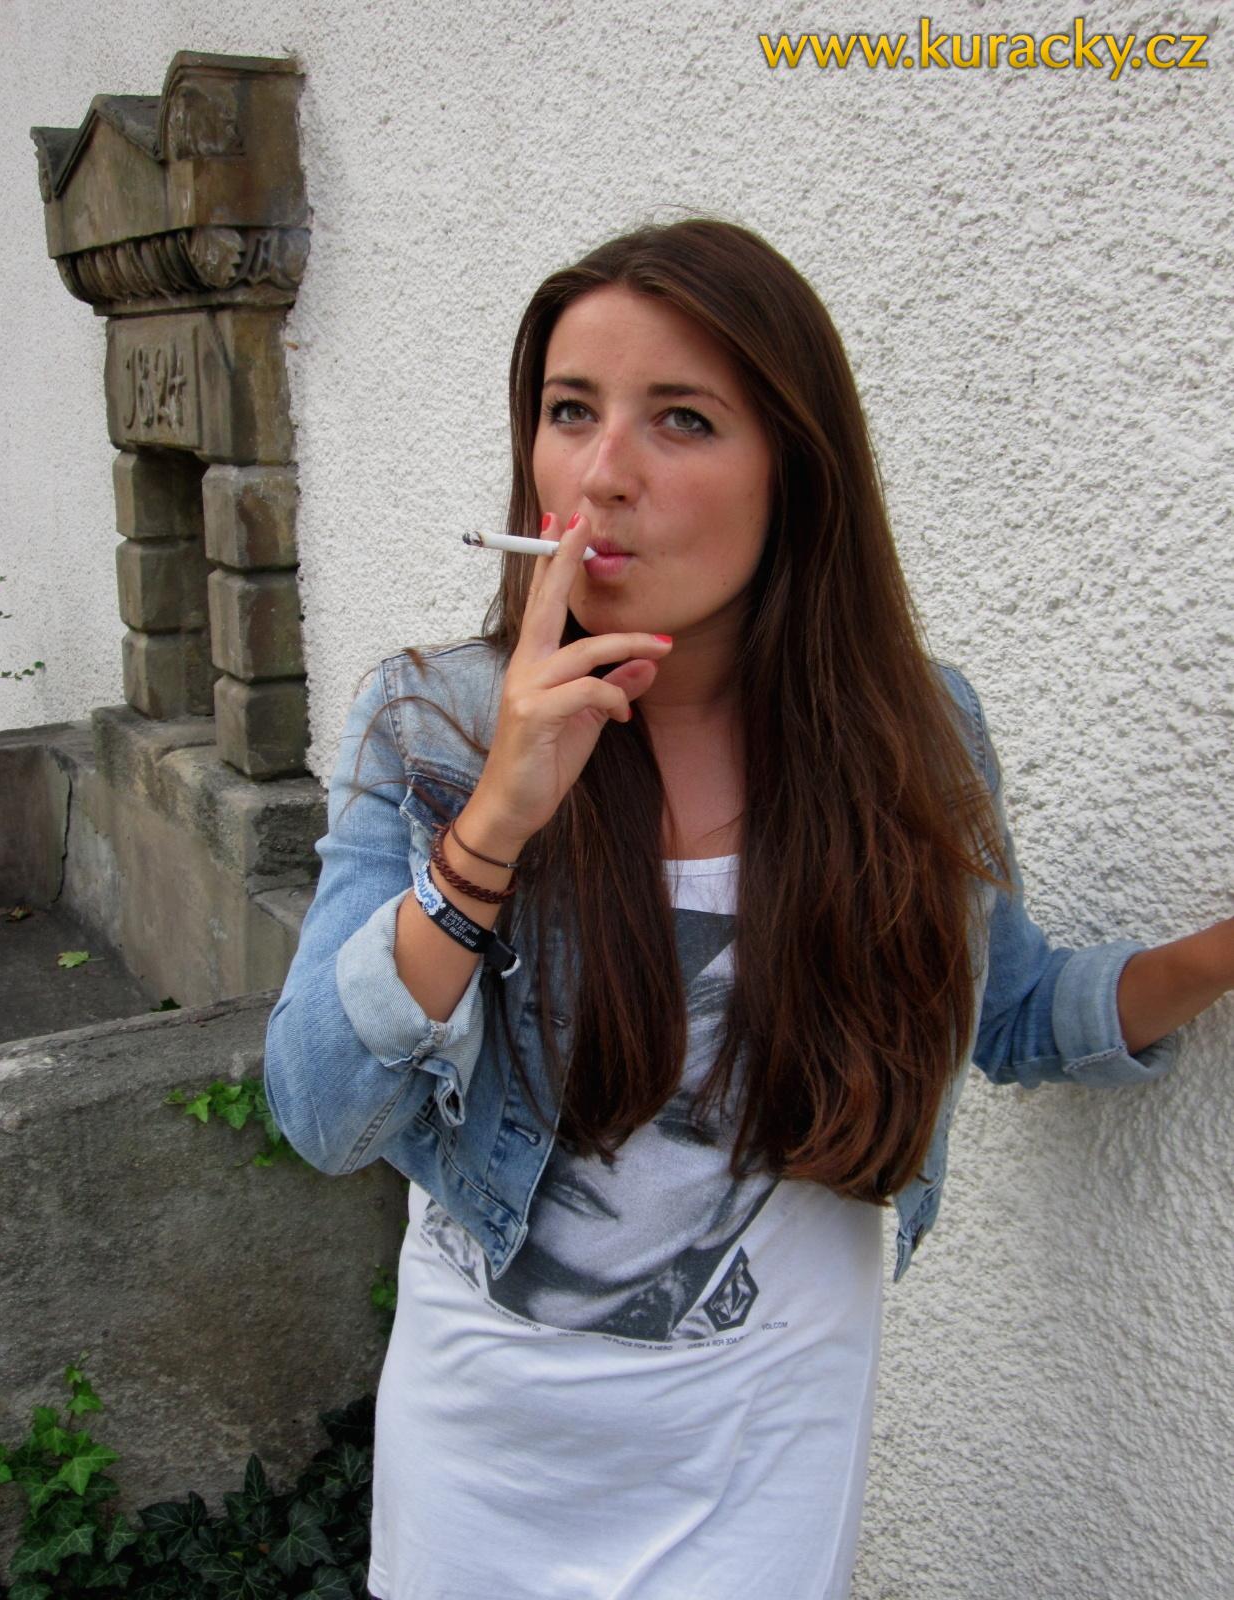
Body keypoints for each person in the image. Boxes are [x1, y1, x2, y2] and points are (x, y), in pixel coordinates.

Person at [263, 218, 1232, 1600]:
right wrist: (494, 831)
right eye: (570, 412)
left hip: (764, 1465)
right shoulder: (432, 726)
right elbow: (318, 1111)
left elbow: (1007, 1008)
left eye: (683, 419)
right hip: (486, 1473)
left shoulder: (913, 736)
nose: (603, 474)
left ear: (795, 471)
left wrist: (1218, 951)